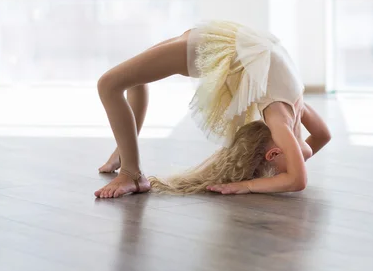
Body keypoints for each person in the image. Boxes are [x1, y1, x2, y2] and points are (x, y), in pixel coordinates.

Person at [94, 20, 331, 198]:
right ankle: (132, 173)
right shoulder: (281, 125)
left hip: (219, 41)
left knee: (123, 81)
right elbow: (298, 180)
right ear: (274, 154)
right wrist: (246, 185)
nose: (272, 173)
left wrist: (293, 156)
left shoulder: (294, 109)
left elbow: (319, 139)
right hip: (214, 45)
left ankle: (126, 155)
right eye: (272, 171)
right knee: (110, 85)